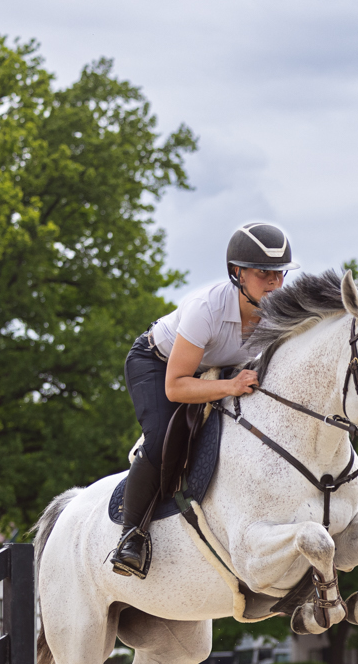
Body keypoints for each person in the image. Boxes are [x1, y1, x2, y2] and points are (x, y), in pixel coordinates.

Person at [109, 220, 295, 579]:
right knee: (163, 438)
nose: (275, 284)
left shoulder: (279, 313)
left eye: (280, 274)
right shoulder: (205, 308)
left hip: (220, 369)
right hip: (158, 365)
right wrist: (229, 387)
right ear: (238, 273)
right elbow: (176, 387)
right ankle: (131, 536)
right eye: (264, 274)